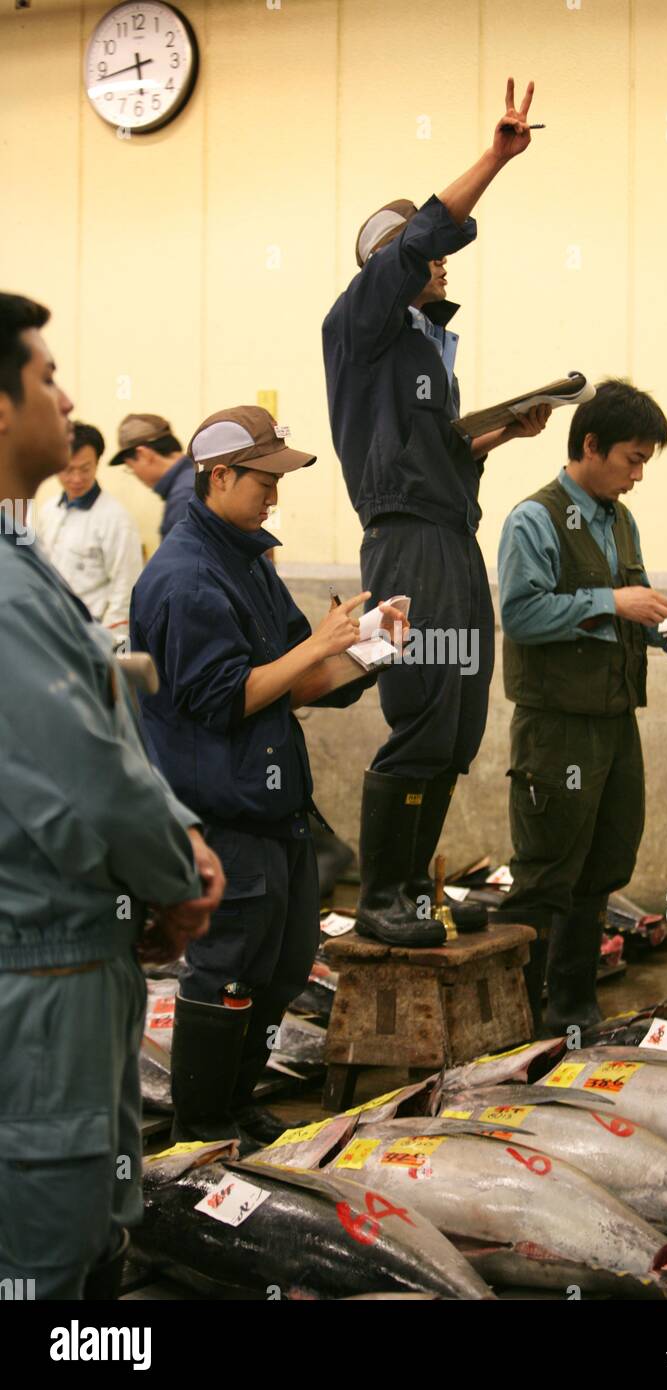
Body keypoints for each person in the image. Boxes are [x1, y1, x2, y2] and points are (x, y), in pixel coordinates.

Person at [0, 292, 225, 1300]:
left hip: (64, 956)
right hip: (37, 973)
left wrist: (172, 834)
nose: (67, 399)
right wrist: (175, 876)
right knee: (47, 1262)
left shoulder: (20, 561)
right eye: (46, 378)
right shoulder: (6, 588)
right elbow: (85, 776)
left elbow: (96, 724)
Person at [323, 77, 570, 947]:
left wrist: (502, 431)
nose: (441, 261)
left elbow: (436, 457)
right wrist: (494, 159)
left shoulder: (425, 349)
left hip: (450, 537)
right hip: (408, 549)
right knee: (424, 709)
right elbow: (426, 232)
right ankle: (380, 895)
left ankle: (413, 892)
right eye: (423, 254)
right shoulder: (360, 326)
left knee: (459, 720)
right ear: (389, 265)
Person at [130, 405, 404, 1147]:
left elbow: (293, 681)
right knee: (226, 968)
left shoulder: (247, 558)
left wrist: (369, 652)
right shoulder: (187, 578)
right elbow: (224, 699)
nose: (273, 496)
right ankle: (202, 1128)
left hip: (275, 801)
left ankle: (238, 1104)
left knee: (279, 968)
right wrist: (319, 644)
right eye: (263, 481)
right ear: (219, 477)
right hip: (222, 809)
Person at [495, 379, 667, 1035]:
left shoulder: (619, 520)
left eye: (644, 461)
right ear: (590, 445)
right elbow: (521, 614)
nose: (637, 476)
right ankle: (517, 1025)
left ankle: (572, 1009)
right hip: (556, 727)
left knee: (603, 865)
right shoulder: (533, 520)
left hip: (615, 722)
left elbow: (628, 608)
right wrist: (612, 602)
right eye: (631, 459)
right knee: (546, 871)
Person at [37, 420, 143, 644]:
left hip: (92, 635)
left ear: (97, 463)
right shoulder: (48, 511)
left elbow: (126, 588)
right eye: (68, 470)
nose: (76, 479)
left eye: (85, 469)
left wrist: (110, 644)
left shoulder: (116, 519)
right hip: (52, 629)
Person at [109, 412, 194, 540]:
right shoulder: (195, 476)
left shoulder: (183, 496)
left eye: (130, 467)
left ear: (144, 454)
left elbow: (181, 552)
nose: (134, 473)